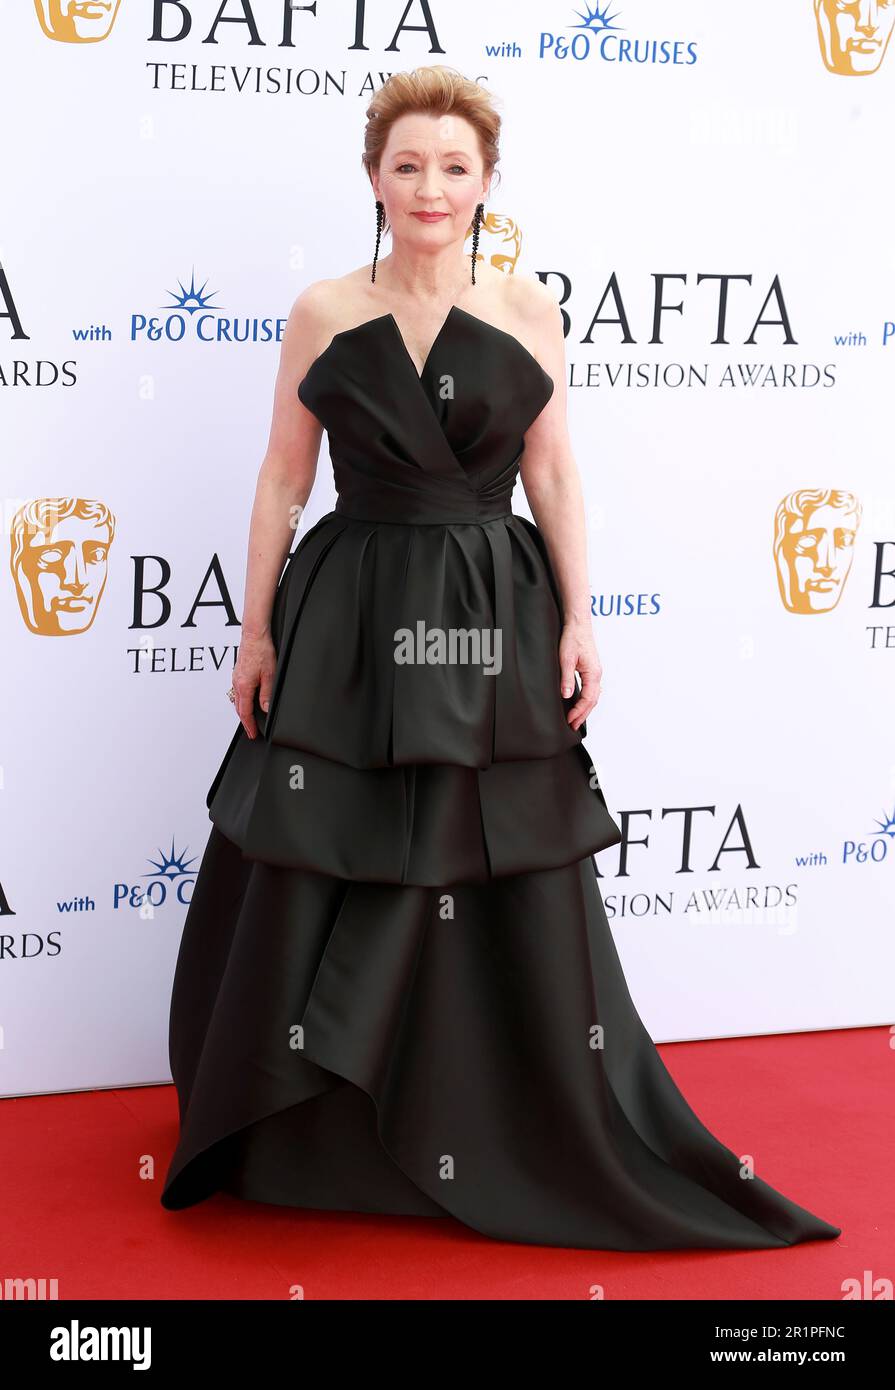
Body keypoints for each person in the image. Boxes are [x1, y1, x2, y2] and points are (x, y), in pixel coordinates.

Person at [160, 65, 841, 1251]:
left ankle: (495, 1114)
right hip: (353, 611)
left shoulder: (528, 307)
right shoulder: (323, 310)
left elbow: (554, 471)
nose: (431, 187)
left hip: (485, 604)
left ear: (488, 182)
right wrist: (255, 625)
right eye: (408, 164)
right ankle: (309, 1130)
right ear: (373, 177)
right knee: (339, 843)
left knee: (484, 852)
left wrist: (579, 617)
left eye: (454, 167)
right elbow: (282, 474)